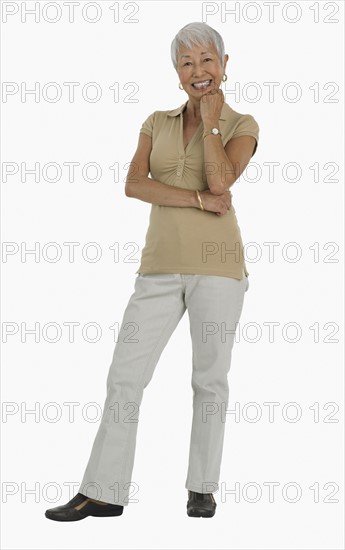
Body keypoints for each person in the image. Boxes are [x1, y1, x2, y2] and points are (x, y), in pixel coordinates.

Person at [45, 21, 259, 521]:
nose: (198, 70)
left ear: (225, 65)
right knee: (124, 377)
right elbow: (134, 185)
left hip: (219, 269)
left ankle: (202, 488)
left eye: (207, 60)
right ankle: (103, 489)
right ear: (176, 73)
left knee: (210, 380)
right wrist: (199, 201)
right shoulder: (155, 122)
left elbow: (224, 180)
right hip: (159, 268)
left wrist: (209, 122)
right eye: (187, 63)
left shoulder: (242, 124)